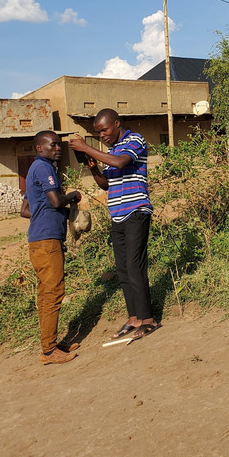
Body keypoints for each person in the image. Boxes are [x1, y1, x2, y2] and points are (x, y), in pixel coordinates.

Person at [68, 109, 159, 340]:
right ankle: (134, 318)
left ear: (117, 124)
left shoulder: (134, 140)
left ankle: (148, 319)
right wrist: (92, 167)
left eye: (104, 130)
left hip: (136, 211)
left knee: (134, 264)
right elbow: (106, 184)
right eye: (98, 133)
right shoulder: (111, 151)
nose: (101, 136)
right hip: (117, 214)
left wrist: (87, 148)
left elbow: (120, 163)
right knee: (123, 268)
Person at [20, 131, 82, 365]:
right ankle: (48, 351)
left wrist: (57, 214)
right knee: (54, 293)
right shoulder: (44, 167)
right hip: (46, 242)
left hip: (39, 240)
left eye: (59, 145)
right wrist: (72, 196)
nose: (58, 148)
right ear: (39, 148)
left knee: (46, 294)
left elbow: (25, 210)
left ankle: (51, 344)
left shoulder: (34, 170)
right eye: (52, 145)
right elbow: (55, 200)